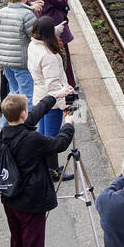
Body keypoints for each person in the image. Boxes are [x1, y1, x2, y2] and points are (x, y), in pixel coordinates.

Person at [0, 87, 75, 247]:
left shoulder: (4, 134)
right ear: (23, 114)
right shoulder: (33, 139)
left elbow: (35, 113)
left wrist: (55, 95)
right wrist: (68, 124)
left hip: (11, 200)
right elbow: (59, 144)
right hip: (31, 204)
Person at [27, 16, 71, 181]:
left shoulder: (33, 45)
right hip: (52, 102)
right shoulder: (48, 56)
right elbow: (54, 86)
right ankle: (53, 172)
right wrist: (64, 106)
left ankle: (44, 167)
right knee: (51, 139)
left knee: (42, 134)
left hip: (40, 97)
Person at [29, 0, 75, 88]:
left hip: (44, 22)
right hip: (54, 24)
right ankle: (69, 83)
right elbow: (62, 1)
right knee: (63, 55)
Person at [0, 0, 36, 109]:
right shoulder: (27, 14)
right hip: (21, 63)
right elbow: (37, 36)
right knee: (27, 97)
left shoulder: (1, 13)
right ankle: (28, 126)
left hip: (6, 62)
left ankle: (4, 127)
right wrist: (56, 31)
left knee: (13, 96)